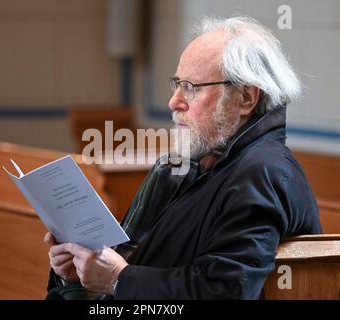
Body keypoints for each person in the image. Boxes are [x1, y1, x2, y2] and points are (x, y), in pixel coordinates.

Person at [44, 16, 322, 300]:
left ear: (246, 98)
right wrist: (82, 270)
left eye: (191, 87)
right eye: (177, 84)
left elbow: (225, 291)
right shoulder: (185, 165)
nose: (174, 101)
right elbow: (144, 260)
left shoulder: (263, 173)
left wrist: (118, 278)